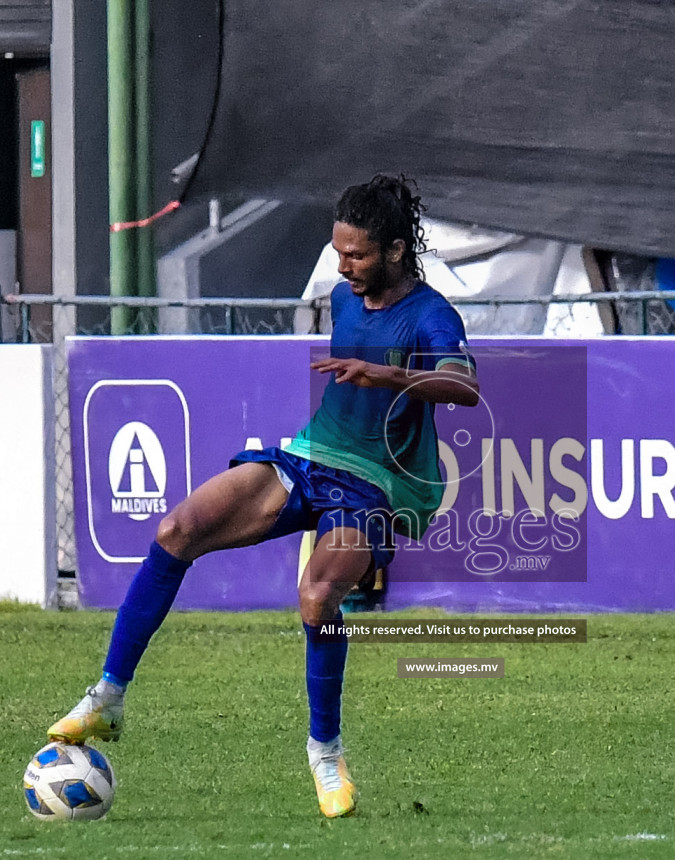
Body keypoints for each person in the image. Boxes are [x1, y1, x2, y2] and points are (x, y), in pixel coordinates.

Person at [49, 174, 478, 818]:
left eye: (357, 254)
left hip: (381, 482)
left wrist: (387, 374)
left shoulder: (432, 313)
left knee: (318, 595)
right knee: (176, 531)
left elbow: (463, 390)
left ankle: (325, 755)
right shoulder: (343, 298)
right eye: (339, 252)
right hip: (312, 455)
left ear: (393, 250)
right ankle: (108, 698)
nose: (344, 266)